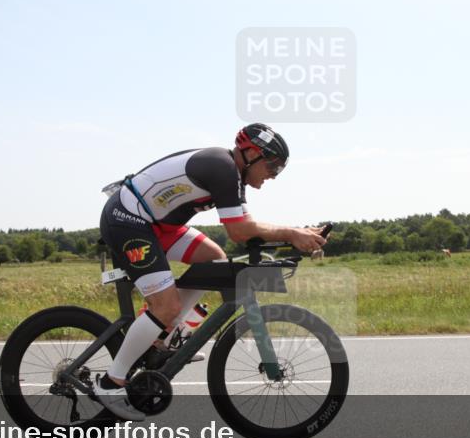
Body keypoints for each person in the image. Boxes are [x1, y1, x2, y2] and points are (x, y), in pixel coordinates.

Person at [95, 123, 327, 420]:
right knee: (166, 306)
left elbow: (247, 227)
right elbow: (240, 232)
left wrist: (297, 234)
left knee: (213, 260)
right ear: (252, 154)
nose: (273, 175)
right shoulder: (223, 169)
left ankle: (160, 341)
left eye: (278, 170)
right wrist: (293, 233)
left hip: (158, 224)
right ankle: (111, 382)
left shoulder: (232, 173)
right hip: (129, 221)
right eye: (272, 167)